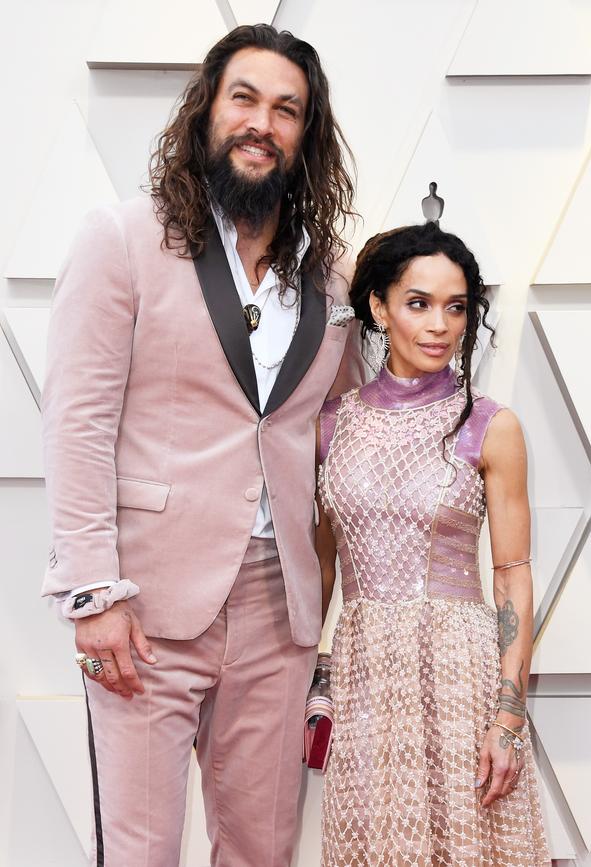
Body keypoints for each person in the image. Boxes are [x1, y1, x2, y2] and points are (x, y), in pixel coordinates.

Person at [41, 24, 363, 867]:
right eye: (245, 99)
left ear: (307, 134)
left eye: (286, 109)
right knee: (142, 851)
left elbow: (341, 430)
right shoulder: (124, 237)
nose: (263, 122)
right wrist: (92, 593)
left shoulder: (330, 275)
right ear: (208, 112)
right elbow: (76, 422)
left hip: (278, 609)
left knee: (262, 850)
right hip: (145, 602)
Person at [316, 222, 551, 865]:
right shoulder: (330, 425)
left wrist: (508, 716)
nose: (439, 325)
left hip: (460, 676)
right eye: (418, 303)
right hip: (366, 675)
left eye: (456, 308)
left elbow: (511, 575)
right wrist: (305, 680)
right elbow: (319, 573)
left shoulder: (490, 426)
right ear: (378, 307)